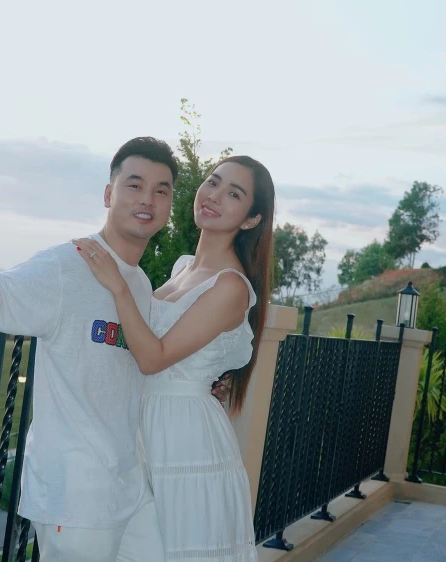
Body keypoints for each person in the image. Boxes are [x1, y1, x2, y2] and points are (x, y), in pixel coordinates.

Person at [0, 137, 204, 561]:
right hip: (76, 490)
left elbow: (144, 360)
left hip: (127, 482)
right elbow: (7, 284)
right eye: (134, 185)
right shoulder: (69, 264)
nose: (147, 199)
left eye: (161, 190)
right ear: (108, 194)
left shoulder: (139, 283)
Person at [72, 155, 275, 562]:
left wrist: (118, 286)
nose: (214, 196)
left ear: (251, 219)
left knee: (180, 546)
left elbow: (154, 357)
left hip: (184, 437)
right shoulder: (184, 268)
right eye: (213, 182)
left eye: (234, 194)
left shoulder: (231, 286)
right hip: (145, 421)